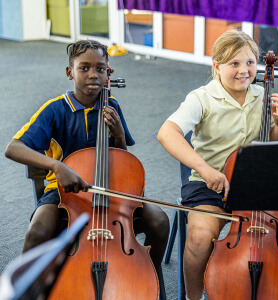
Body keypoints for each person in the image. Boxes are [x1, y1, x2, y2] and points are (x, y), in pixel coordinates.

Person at [158, 30, 278, 300]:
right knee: (200, 238)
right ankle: (196, 296)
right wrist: (205, 169)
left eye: (250, 62)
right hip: (210, 183)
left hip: (255, 183)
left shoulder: (261, 94)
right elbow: (166, 133)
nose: (244, 70)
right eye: (234, 64)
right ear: (217, 66)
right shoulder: (201, 98)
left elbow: (273, 146)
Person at [4, 39, 169, 269]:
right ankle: (27, 287)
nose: (93, 75)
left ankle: (146, 276)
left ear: (108, 73)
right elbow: (13, 148)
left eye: (100, 69)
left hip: (110, 187)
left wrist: (120, 136)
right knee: (38, 230)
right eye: (84, 68)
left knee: (159, 221)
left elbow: (123, 160)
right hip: (64, 192)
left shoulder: (112, 106)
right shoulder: (55, 109)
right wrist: (57, 166)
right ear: (69, 72)